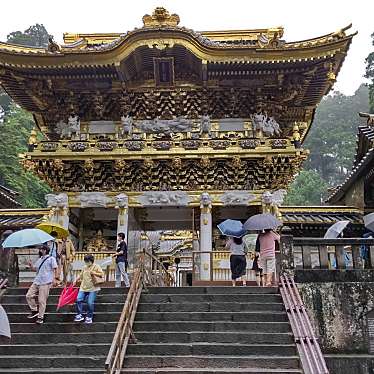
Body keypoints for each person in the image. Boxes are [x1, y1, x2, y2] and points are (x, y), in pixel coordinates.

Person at [26, 245, 59, 324]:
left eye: (42, 249)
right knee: (28, 295)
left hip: (46, 281)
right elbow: (35, 269)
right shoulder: (40, 259)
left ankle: (40, 317)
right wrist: (31, 265)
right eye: (40, 249)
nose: (41, 250)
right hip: (37, 280)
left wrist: (55, 279)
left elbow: (55, 268)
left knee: (41, 300)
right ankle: (34, 310)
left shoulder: (51, 259)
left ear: (45, 250)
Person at [73, 254, 104, 324]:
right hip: (83, 287)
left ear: (91, 261)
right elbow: (80, 275)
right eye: (85, 261)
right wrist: (75, 280)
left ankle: (89, 317)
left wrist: (94, 272)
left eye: (88, 261)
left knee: (90, 302)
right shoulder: (84, 267)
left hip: (93, 288)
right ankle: (79, 314)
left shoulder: (96, 266)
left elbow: (102, 274)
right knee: (78, 299)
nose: (86, 263)